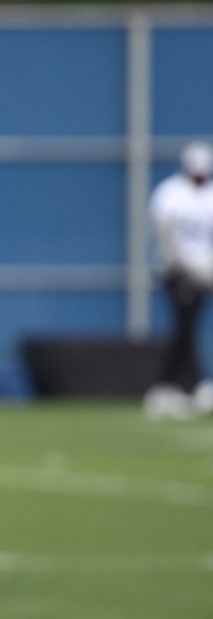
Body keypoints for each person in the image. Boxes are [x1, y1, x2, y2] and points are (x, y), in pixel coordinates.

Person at [144, 140, 213, 420]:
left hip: (207, 271)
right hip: (179, 271)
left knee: (190, 328)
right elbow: (165, 232)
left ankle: (184, 384)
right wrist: (181, 265)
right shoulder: (171, 193)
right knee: (184, 326)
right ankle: (176, 385)